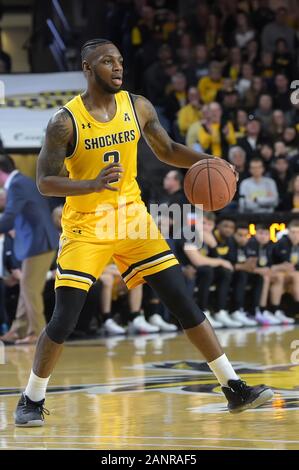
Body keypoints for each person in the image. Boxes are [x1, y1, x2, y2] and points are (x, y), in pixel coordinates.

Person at [14, 38, 273, 427]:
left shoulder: (138, 106)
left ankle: (233, 386)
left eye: (119, 61)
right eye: (106, 62)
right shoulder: (64, 122)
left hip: (133, 220)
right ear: (87, 68)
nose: (117, 67)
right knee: (65, 317)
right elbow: (45, 182)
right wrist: (91, 185)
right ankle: (31, 398)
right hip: (87, 226)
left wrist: (209, 160)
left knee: (184, 302)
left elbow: (166, 149)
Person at [0, 155, 59, 345]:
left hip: (38, 242)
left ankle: (37, 332)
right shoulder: (22, 180)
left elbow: (9, 217)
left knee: (30, 288)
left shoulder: (17, 184)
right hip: (36, 241)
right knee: (27, 286)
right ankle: (18, 329)